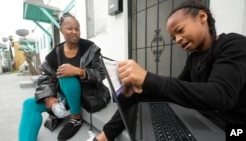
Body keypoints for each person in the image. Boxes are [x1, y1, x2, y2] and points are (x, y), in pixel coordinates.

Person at [94, 0, 246, 140]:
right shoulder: (194, 58)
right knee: (136, 95)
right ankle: (105, 136)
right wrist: (139, 88)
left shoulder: (234, 45)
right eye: (174, 38)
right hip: (204, 117)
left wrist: (147, 78)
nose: (178, 40)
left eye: (180, 30)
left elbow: (221, 96)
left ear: (202, 16)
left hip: (233, 128)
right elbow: (173, 92)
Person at [18, 13, 105, 141]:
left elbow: (101, 73)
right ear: (61, 30)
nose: (74, 32)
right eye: (70, 28)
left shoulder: (90, 48)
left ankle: (76, 118)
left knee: (65, 75)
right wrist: (48, 96)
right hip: (64, 96)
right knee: (29, 104)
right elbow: (46, 76)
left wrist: (78, 71)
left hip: (88, 94)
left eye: (77, 29)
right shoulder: (55, 54)